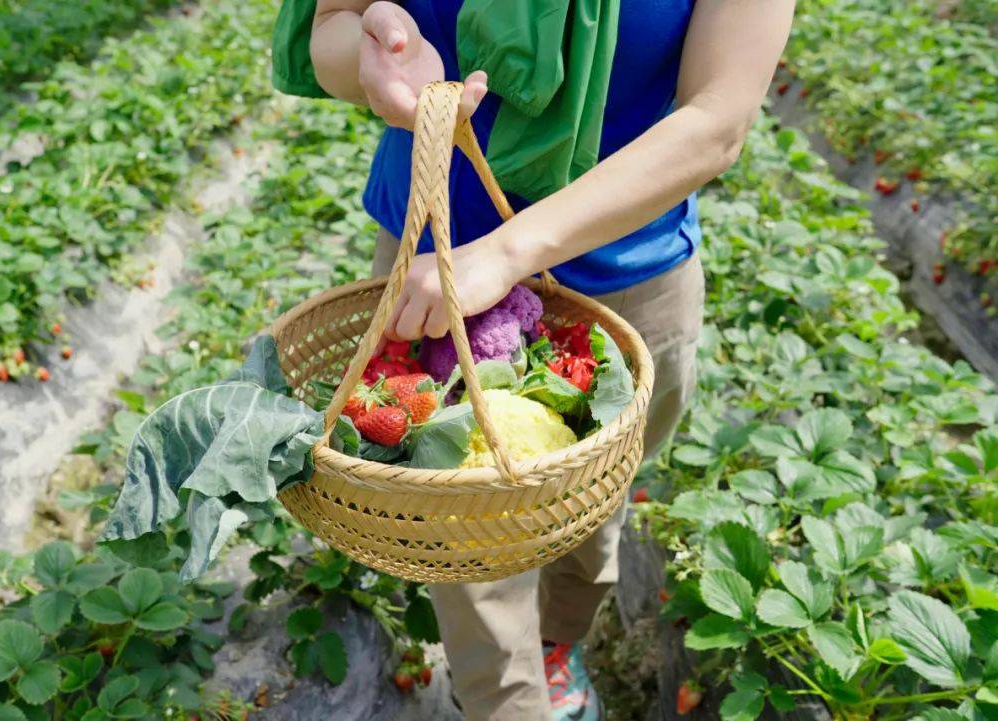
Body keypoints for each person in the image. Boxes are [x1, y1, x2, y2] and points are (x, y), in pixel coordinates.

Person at [275, 1, 794, 719]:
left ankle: (558, 635)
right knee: (462, 535)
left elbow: (717, 117)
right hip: (432, 264)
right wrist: (368, 58)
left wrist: (510, 251)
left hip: (627, 273)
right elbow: (332, 24)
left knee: (591, 497)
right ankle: (505, 699)